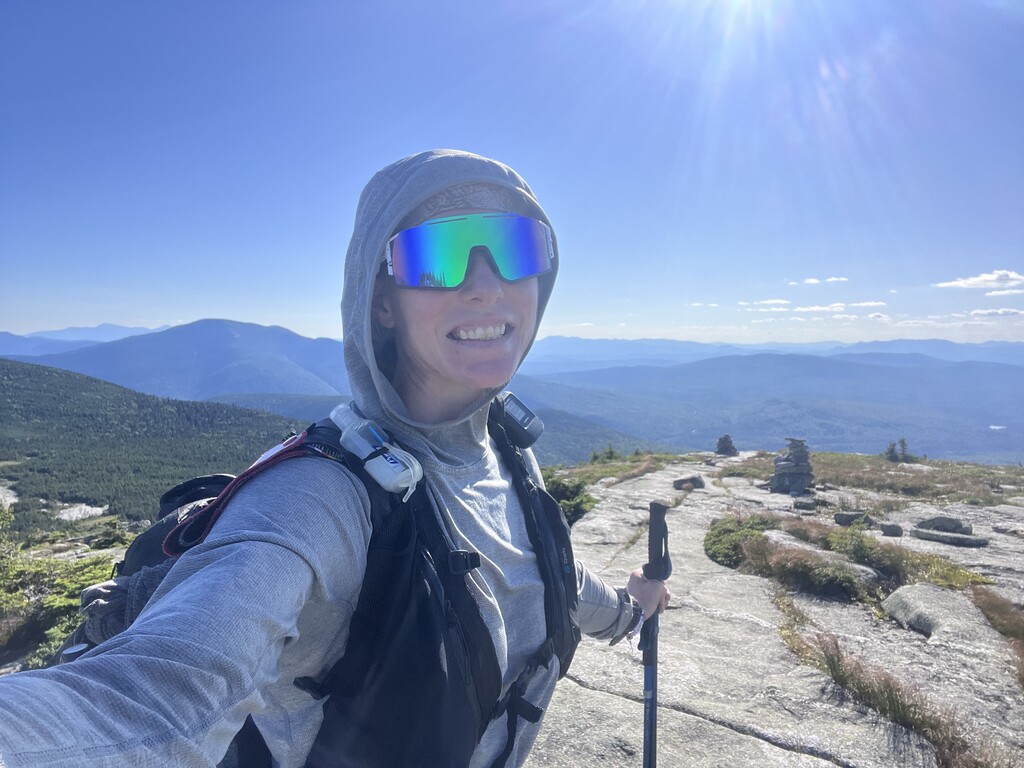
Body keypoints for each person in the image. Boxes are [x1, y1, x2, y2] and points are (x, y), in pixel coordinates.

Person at [0, 149, 670, 767]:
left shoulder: (502, 445)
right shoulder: (319, 498)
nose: (487, 286)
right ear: (380, 302)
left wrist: (629, 610)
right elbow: (152, 695)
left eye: (517, 249)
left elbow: (540, 567)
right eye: (438, 256)